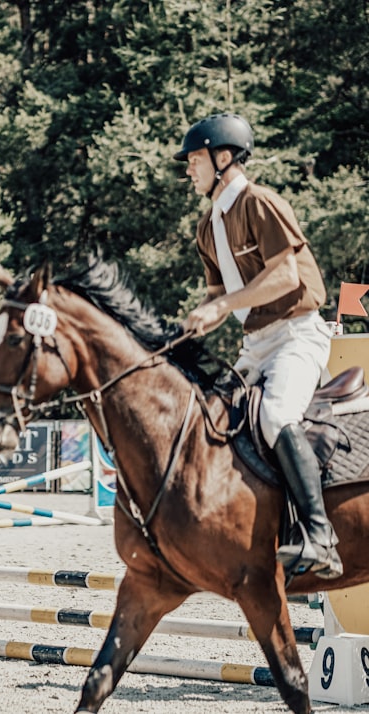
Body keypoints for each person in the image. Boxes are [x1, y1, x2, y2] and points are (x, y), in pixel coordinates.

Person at [175, 112, 342, 579]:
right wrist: (192, 325)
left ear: (223, 157)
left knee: (274, 416)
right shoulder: (207, 228)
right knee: (213, 421)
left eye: (195, 160)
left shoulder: (260, 202)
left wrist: (222, 305)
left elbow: (286, 276)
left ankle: (319, 535)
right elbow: (215, 298)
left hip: (297, 333)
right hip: (256, 344)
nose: (189, 169)